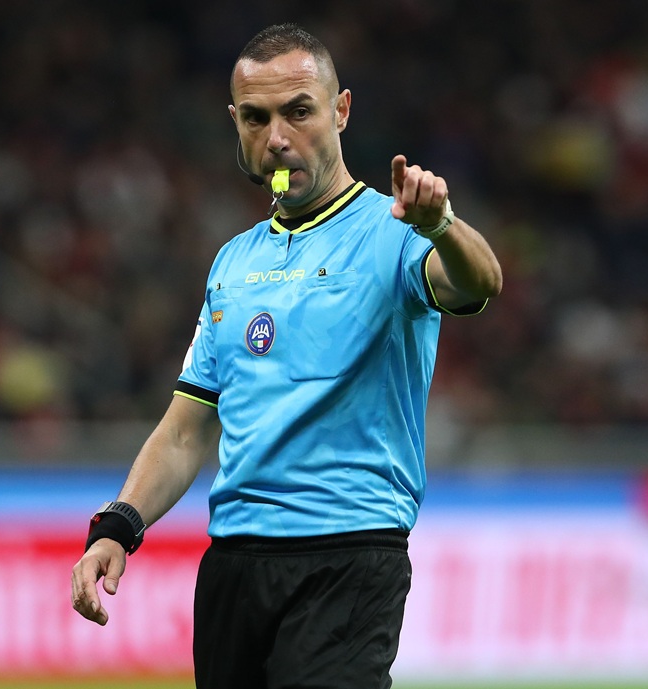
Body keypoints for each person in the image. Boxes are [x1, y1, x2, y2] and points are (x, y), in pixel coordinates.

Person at [71, 22, 502, 688]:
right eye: (256, 117)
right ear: (235, 123)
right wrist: (117, 526)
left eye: (298, 111)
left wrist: (441, 225)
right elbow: (186, 430)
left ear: (341, 110)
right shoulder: (233, 262)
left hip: (347, 556)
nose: (277, 137)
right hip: (234, 566)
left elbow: (479, 283)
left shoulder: (394, 232)